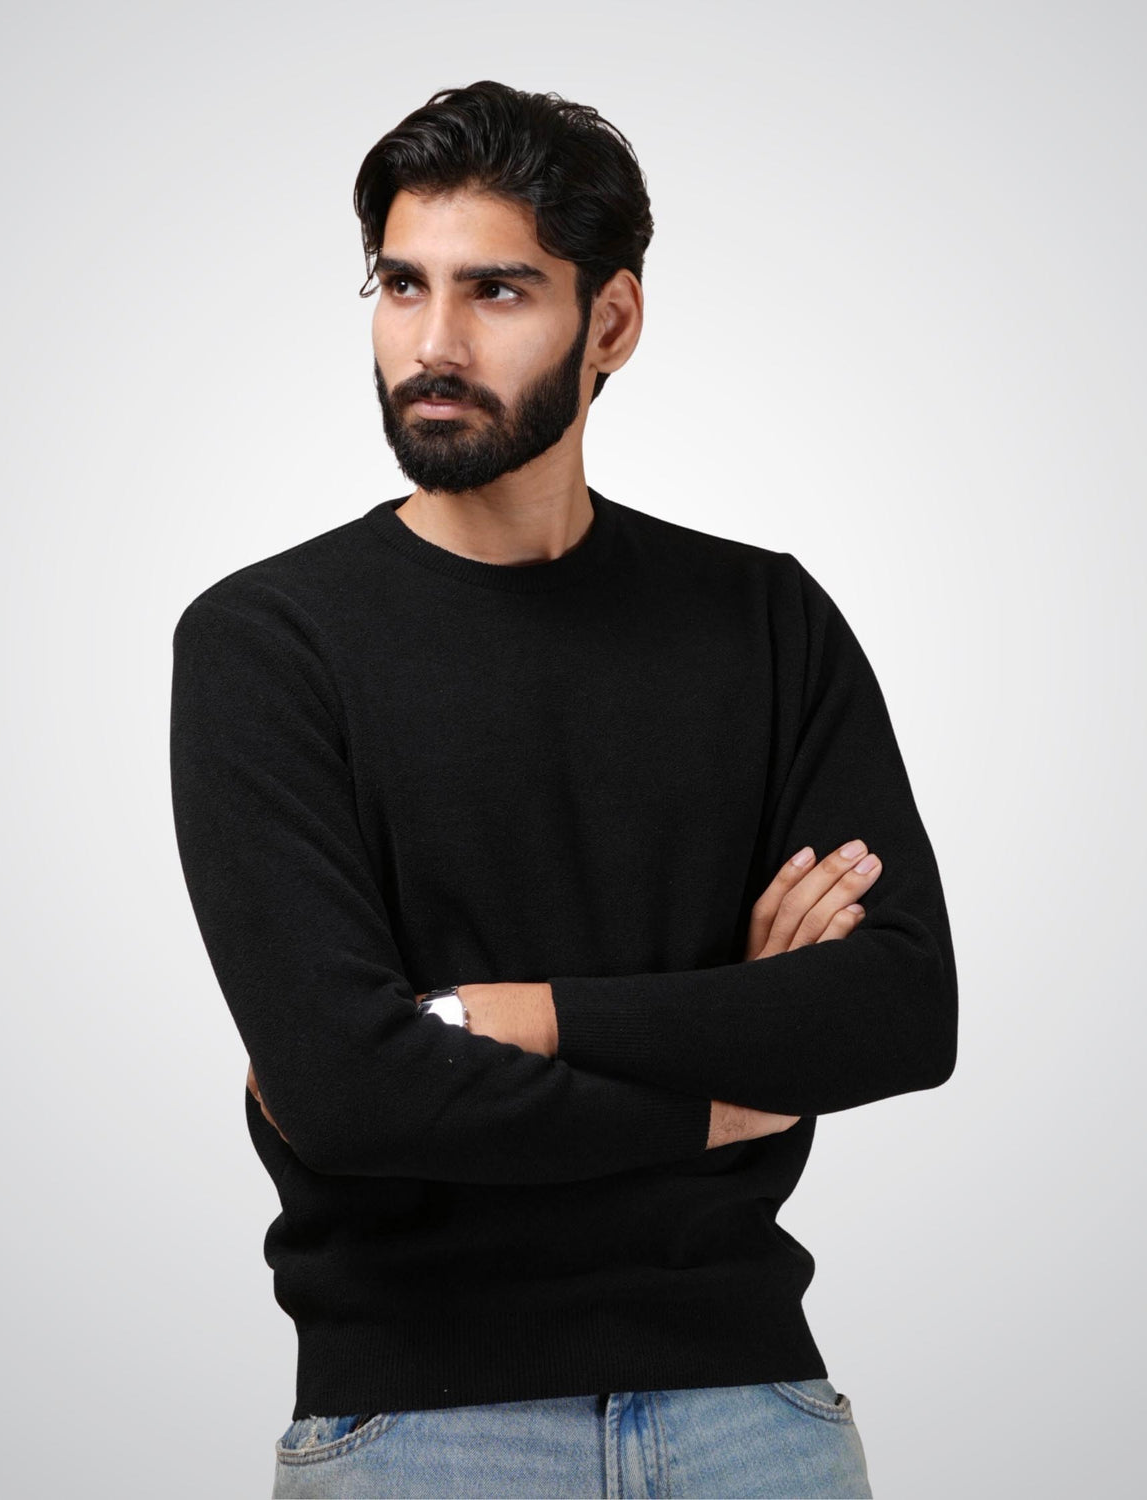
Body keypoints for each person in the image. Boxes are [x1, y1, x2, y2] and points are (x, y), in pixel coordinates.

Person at [169, 79, 957, 1499]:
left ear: (612, 322)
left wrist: (518, 1018)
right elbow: (346, 1089)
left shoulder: (765, 620)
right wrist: (726, 1078)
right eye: (400, 285)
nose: (433, 342)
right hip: (420, 1434)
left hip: (756, 1418)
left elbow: (901, 1010)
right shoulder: (266, 645)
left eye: (498, 290)